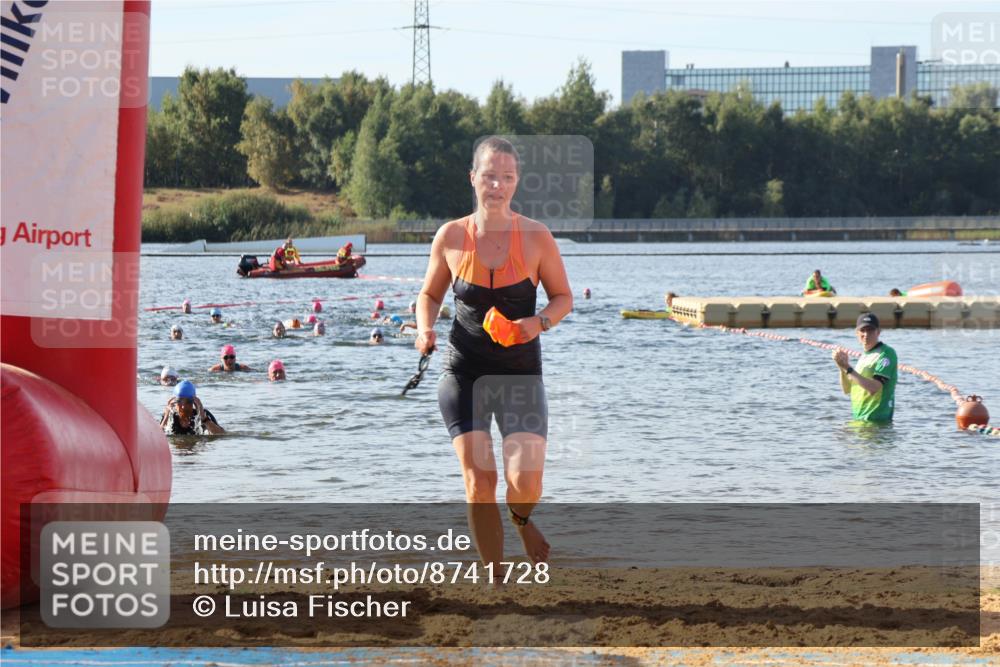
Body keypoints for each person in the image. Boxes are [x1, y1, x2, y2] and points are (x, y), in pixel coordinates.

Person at [414, 136, 573, 568]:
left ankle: (520, 520)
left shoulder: (537, 238)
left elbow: (563, 298)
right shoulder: (450, 236)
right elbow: (429, 293)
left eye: (507, 177)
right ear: (473, 178)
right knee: (480, 482)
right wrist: (425, 329)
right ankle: (495, 581)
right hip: (464, 372)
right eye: (489, 176)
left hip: (520, 375)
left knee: (526, 483)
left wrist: (537, 323)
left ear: (516, 182)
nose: (497, 186)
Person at [832, 313, 898, 423]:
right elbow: (847, 389)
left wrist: (848, 368)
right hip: (859, 420)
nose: (866, 334)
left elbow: (874, 388)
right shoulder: (864, 357)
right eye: (862, 330)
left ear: (878, 332)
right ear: (857, 333)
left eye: (870, 330)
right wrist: (841, 366)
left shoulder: (886, 353)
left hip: (877, 423)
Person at [159, 380, 224, 435]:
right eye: (179, 401)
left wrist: (204, 418)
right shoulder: (170, 416)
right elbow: (157, 436)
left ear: (194, 402)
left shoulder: (203, 414)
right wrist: (166, 417)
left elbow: (221, 434)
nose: (183, 406)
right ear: (174, 402)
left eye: (188, 402)